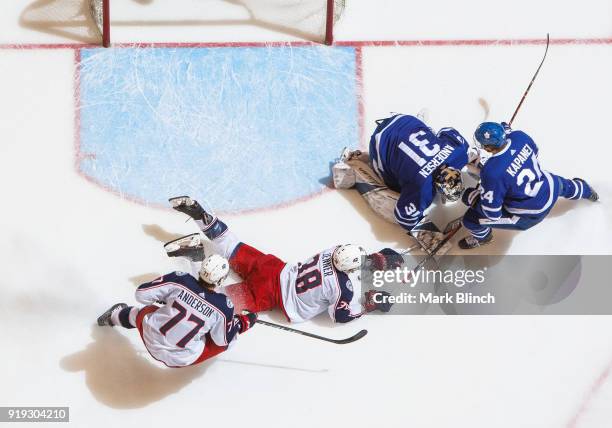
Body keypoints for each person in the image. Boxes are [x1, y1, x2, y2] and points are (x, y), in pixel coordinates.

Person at [166, 196, 398, 323]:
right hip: (272, 295)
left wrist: (376, 259)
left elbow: (351, 260)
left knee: (230, 244)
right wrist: (368, 304)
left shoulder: (333, 250)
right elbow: (340, 315)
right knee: (212, 301)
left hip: (273, 267)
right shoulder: (343, 289)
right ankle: (196, 256)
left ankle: (204, 219)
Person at [333, 113, 476, 251]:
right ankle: (354, 168)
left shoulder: (459, 153)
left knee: (430, 141)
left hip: (405, 120)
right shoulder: (422, 188)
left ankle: (410, 141)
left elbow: (447, 131)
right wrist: (427, 234)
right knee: (393, 196)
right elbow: (404, 216)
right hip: (379, 141)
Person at [96, 255, 257, 368]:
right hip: (180, 359)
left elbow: (141, 294)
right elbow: (222, 340)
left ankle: (114, 317)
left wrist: (167, 297)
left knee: (144, 312)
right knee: (226, 340)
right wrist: (243, 322)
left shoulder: (180, 280)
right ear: (221, 280)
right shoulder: (223, 306)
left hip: (150, 338)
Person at [458, 122, 599, 249]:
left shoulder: (491, 172)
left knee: (470, 220)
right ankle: (587, 191)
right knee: (566, 186)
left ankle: (483, 238)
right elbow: (534, 153)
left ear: (488, 148)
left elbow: (493, 214)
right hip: (549, 187)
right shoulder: (519, 136)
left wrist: (470, 197)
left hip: (529, 214)